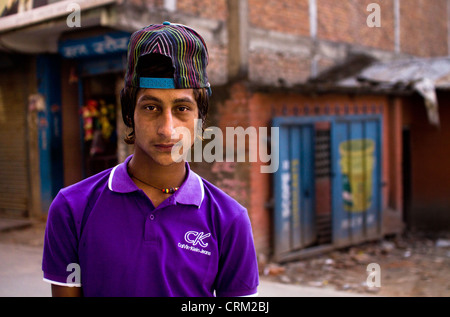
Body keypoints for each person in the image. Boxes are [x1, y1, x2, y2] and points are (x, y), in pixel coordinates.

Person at [42, 21, 259, 297]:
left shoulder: (229, 220)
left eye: (182, 108)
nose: (167, 129)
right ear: (129, 113)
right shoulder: (72, 208)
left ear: (200, 119)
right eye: (150, 107)